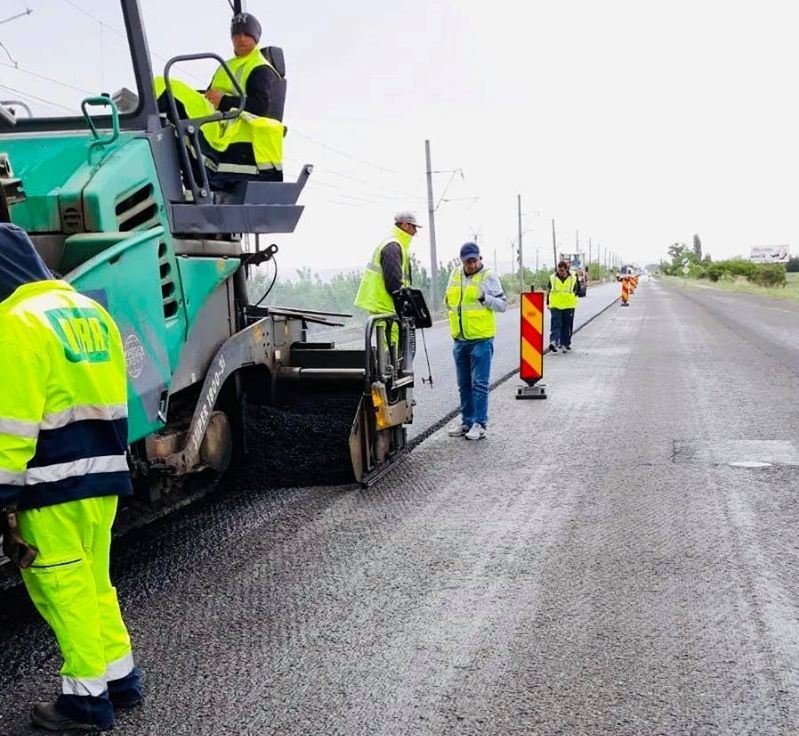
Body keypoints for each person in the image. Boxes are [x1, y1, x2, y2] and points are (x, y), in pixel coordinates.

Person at [0, 224, 141, 732]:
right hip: (102, 473)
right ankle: (120, 678)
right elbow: (118, 393)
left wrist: (3, 493)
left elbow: (10, 422)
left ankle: (84, 701)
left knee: (63, 589)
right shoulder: (88, 309)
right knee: (94, 582)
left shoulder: (15, 322)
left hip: (51, 483)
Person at [155, 12, 284, 188]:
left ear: (256, 38)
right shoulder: (226, 66)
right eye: (237, 34)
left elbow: (260, 106)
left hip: (237, 143)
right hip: (219, 126)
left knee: (173, 91)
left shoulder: (260, 68)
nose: (241, 38)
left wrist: (224, 101)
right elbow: (212, 95)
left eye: (247, 34)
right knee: (166, 90)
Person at [444, 242, 507, 440]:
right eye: (466, 261)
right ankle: (467, 421)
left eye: (473, 260)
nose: (470, 265)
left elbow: (502, 304)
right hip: (460, 339)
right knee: (464, 384)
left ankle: (479, 423)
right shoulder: (455, 274)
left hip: (481, 339)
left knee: (479, 384)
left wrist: (483, 297)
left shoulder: (488, 276)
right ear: (461, 261)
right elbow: (449, 299)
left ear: (480, 258)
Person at [354, 211, 421, 342]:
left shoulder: (396, 244)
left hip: (386, 305)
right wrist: (406, 302)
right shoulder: (393, 246)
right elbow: (393, 284)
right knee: (390, 347)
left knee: (391, 346)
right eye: (414, 227)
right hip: (385, 305)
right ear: (405, 225)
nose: (415, 232)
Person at [546, 259, 580, 352]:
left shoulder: (573, 277)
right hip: (555, 305)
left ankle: (564, 344)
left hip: (568, 306)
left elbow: (577, 290)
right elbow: (548, 290)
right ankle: (554, 342)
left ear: (566, 269)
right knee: (556, 324)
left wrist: (572, 298)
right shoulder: (552, 278)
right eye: (559, 270)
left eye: (562, 270)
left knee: (566, 326)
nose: (560, 272)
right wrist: (548, 303)